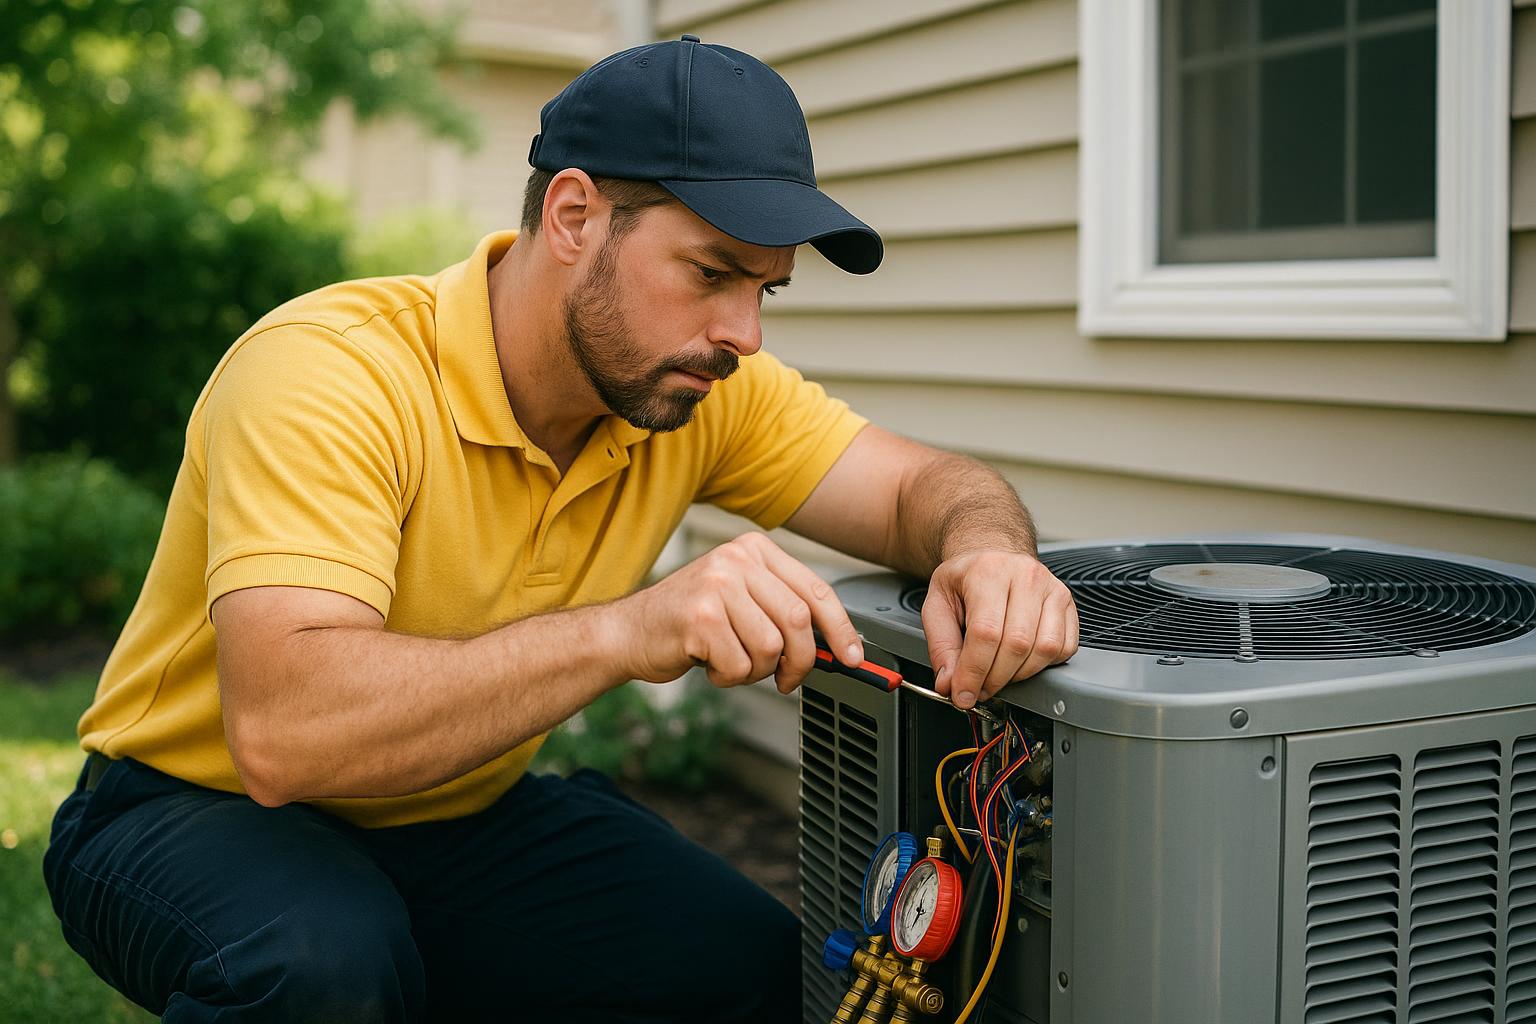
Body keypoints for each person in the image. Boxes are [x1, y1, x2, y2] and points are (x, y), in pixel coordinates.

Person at [42, 34, 1079, 1023]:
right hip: (191, 804)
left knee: (746, 964)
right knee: (322, 964)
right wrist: (628, 630)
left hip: (451, 813)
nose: (744, 334)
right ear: (576, 216)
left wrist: (988, 548)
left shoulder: (698, 388)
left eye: (765, 289)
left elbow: (919, 489)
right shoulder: (333, 372)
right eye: (711, 273)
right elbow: (285, 736)